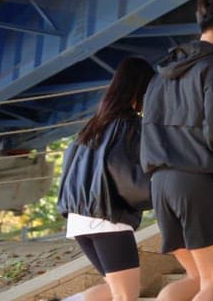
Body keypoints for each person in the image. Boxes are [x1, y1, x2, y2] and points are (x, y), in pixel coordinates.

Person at [140, 0, 213, 301]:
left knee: (196, 279)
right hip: (197, 184)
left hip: (161, 186)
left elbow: (147, 131)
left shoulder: (162, 75)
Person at [57, 57, 154, 301]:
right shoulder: (130, 125)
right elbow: (124, 172)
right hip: (107, 217)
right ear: (142, 89)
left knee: (114, 291)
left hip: (79, 221)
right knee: (125, 296)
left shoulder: (95, 124)